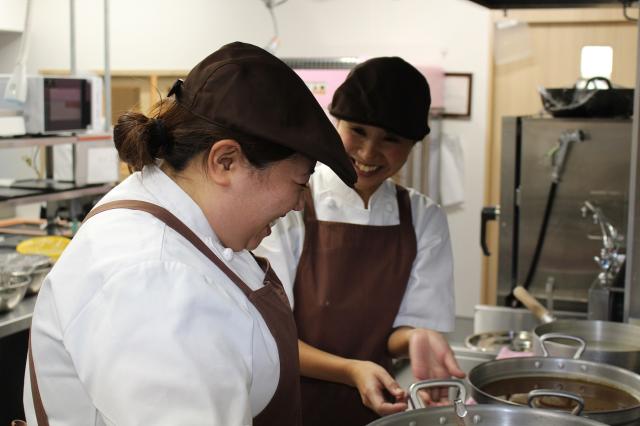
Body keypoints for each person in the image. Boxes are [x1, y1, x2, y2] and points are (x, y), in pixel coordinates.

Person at [21, 42, 357, 426]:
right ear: (225, 162)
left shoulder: (184, 225)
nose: (300, 203)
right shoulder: (151, 276)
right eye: (300, 181)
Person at [255, 56, 465, 425]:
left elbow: (400, 331)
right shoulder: (291, 204)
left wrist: (417, 335)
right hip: (287, 407)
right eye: (358, 132)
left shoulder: (423, 218)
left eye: (391, 140)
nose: (368, 153)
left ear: (413, 145)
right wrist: (352, 370)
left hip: (376, 409)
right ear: (335, 123)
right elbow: (268, 337)